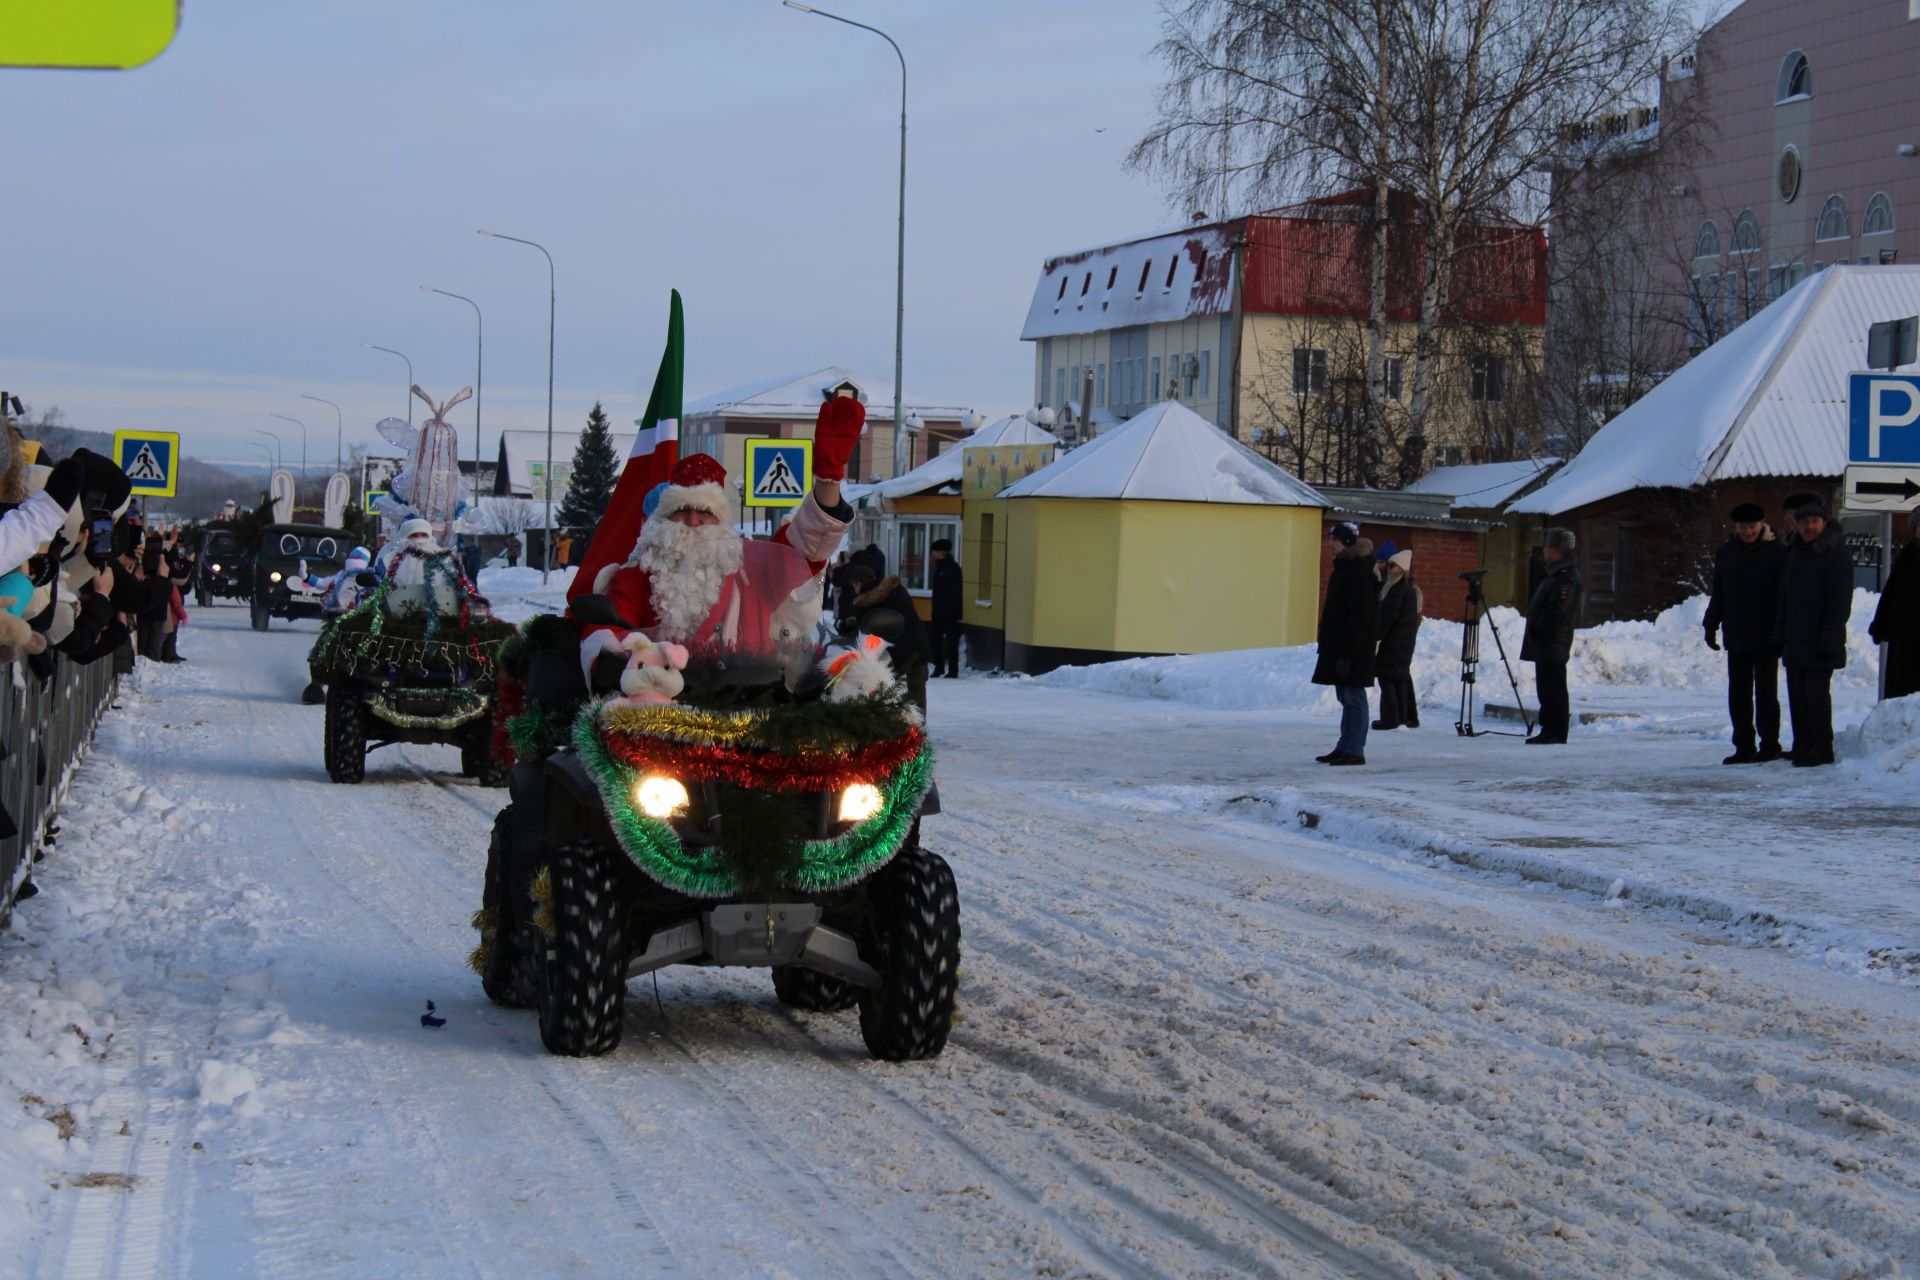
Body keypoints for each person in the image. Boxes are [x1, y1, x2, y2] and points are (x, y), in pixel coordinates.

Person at [578, 395, 863, 681]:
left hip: (753, 698)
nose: (693, 520)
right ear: (664, 518)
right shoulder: (639, 575)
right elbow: (608, 629)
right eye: (681, 510)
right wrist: (610, 659)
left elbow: (805, 548)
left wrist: (828, 480)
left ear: (721, 520)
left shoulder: (749, 568)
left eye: (705, 511)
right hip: (665, 705)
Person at [1703, 502, 1788, 763]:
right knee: (1738, 694)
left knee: (1765, 694)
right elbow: (1719, 593)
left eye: (1752, 527)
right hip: (1737, 633)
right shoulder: (1727, 553)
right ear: (1735, 528)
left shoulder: (1778, 552)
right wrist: (1710, 624)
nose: (1747, 531)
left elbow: (1784, 596)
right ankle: (1743, 745)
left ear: (1762, 525)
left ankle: (1769, 745)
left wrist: (1781, 630)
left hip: (1767, 635)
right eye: (1743, 527)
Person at [1775, 498, 1853, 766]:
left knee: (1816, 699)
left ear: (1824, 523)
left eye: (1815, 521)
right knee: (1797, 697)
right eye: (1805, 521)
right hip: (1796, 640)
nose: (1810, 526)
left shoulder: (1836, 555)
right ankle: (1803, 745)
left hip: (1821, 641)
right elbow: (1785, 598)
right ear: (1797, 524)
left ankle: (1821, 749)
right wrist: (1780, 635)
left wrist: (1830, 639)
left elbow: (1839, 603)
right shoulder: (1795, 553)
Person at [1311, 522, 1377, 765]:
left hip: (1353, 650)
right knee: (1345, 698)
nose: (1332, 544)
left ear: (1347, 542)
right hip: (1341, 647)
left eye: (1336, 540)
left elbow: (1359, 618)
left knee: (1354, 698)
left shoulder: (1358, 572)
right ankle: (1345, 745)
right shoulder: (1345, 569)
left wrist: (1347, 654)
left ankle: (1355, 749)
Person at [844, 561, 933, 712]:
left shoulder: (864, 603)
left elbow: (865, 631)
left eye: (854, 586)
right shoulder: (896, 589)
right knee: (917, 692)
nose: (855, 590)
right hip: (917, 644)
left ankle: (887, 724)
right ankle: (918, 728)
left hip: (890, 653)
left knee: (879, 690)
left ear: (858, 584)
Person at [1521, 527, 1582, 745]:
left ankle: (1555, 731)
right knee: (1547, 688)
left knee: (1553, 688)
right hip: (1547, 643)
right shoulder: (1555, 574)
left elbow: (1559, 611)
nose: (1544, 551)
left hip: (1553, 643)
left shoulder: (1565, 578)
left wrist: (1539, 627)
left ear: (1556, 550)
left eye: (1547, 547)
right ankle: (1550, 728)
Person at [1869, 504, 1920, 700]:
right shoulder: (1907, 556)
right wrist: (1881, 625)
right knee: (1902, 699)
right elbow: (1891, 594)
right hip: (1904, 641)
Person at [1372, 548, 1422, 731]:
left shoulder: (1398, 590)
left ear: (1401, 568)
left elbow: (1390, 617)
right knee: (1400, 678)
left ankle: (1391, 717)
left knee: (1388, 677)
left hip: (1395, 641)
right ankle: (1406, 716)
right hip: (1403, 642)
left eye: (1392, 566)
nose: (1388, 568)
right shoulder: (1403, 589)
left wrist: (1377, 635)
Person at [928, 537, 963, 678]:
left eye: (935, 551)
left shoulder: (952, 568)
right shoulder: (939, 567)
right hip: (938, 611)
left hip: (950, 613)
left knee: (951, 642)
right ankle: (939, 667)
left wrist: (951, 611)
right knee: (935, 640)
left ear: (941, 552)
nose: (933, 554)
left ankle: (953, 670)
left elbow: (955, 592)